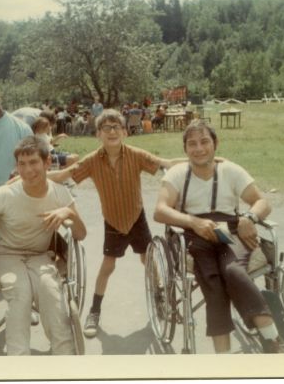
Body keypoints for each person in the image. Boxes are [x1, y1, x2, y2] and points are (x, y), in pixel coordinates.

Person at [153, 121, 284, 353]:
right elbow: (160, 210)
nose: (199, 148)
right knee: (212, 283)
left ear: (215, 144)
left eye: (204, 141)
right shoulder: (178, 174)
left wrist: (249, 217)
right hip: (192, 235)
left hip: (230, 232)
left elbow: (263, 202)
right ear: (185, 149)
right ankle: (225, 358)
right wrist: (193, 222)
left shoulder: (230, 170)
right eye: (192, 144)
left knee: (233, 271)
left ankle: (273, 341)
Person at [51, 109, 186, 338]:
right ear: (98, 134)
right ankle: (95, 310)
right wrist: (28, 177)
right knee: (108, 265)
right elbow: (64, 174)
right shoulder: (92, 161)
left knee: (148, 258)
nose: (112, 131)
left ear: (125, 132)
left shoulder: (135, 154)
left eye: (116, 127)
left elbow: (167, 162)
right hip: (113, 220)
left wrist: (204, 161)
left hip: (136, 216)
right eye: (106, 128)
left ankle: (160, 296)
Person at [0, 135, 87, 355]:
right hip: (3, 254)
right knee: (20, 292)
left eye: (33, 162)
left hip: (39, 256)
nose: (27, 170)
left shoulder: (61, 194)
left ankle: (66, 359)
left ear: (47, 162)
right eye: (22, 164)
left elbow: (81, 233)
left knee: (51, 294)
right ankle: (18, 362)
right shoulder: (6, 194)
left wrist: (68, 212)